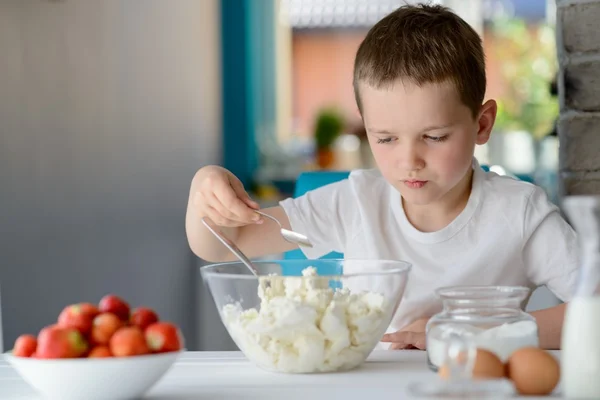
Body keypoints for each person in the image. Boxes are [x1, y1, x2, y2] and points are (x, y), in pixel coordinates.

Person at [185, 3, 578, 351]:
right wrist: (205, 184)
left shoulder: (519, 214)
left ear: (482, 124)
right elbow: (221, 245)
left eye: (435, 137)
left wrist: (470, 331)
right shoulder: (355, 203)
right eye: (386, 138)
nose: (410, 160)